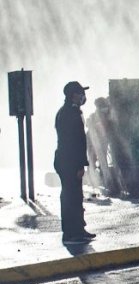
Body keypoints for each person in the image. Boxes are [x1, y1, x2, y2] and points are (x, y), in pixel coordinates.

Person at [54, 81, 94, 244]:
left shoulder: (69, 111)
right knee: (71, 197)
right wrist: (79, 165)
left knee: (76, 196)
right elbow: (74, 142)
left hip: (66, 160)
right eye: (80, 93)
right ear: (73, 95)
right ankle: (71, 233)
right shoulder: (70, 113)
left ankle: (78, 229)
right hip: (69, 161)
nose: (83, 96)